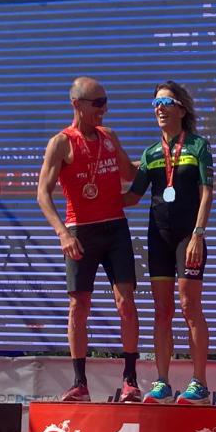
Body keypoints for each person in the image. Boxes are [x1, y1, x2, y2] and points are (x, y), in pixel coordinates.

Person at [35, 77, 142, 402]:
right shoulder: (61, 143)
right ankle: (79, 382)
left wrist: (160, 159)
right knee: (78, 304)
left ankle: (130, 380)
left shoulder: (109, 137)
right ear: (77, 104)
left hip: (115, 228)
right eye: (97, 103)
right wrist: (63, 234)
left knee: (125, 301)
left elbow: (129, 173)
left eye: (105, 102)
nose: (104, 109)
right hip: (80, 231)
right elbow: (42, 194)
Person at [130, 82, 214, 404]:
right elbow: (132, 196)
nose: (160, 109)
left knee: (190, 306)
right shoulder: (150, 153)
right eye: (155, 103)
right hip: (159, 236)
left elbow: (207, 193)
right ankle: (162, 382)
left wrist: (198, 234)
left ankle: (199, 383)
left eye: (166, 102)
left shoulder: (198, 146)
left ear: (181, 108)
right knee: (162, 310)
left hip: (188, 237)